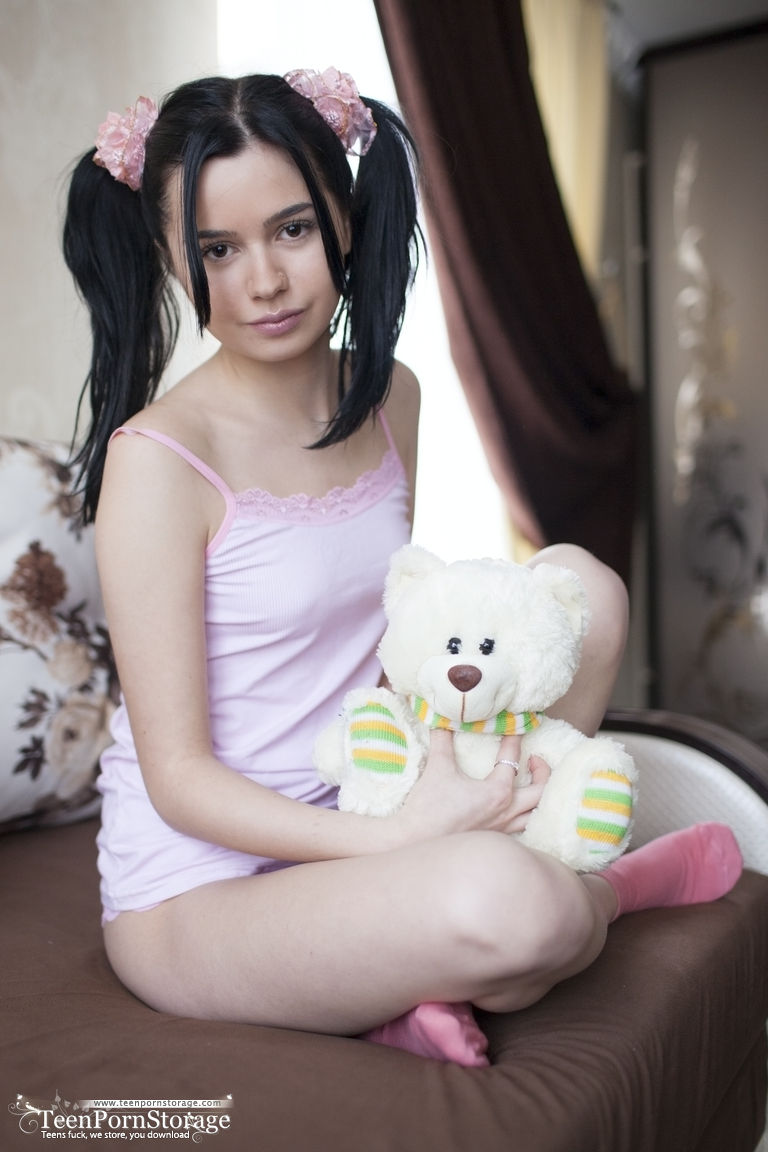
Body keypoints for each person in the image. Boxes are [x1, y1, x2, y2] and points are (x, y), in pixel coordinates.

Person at [63, 68, 742, 1068]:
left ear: (343, 218)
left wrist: (429, 787)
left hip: (366, 792)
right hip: (207, 887)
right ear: (171, 255)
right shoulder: (158, 460)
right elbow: (180, 781)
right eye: (218, 248)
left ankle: (424, 953)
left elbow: (386, 643)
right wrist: (403, 838)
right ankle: (603, 892)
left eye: (294, 229)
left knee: (585, 592)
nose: (264, 280)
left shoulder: (391, 398)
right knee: (521, 908)